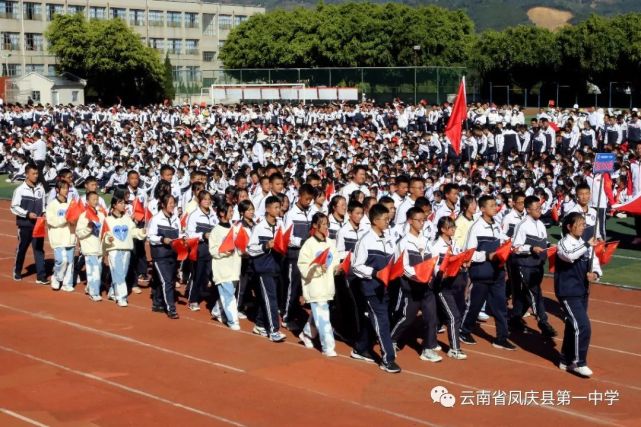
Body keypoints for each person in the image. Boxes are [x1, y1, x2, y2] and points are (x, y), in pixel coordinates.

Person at [460, 195, 516, 350]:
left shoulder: (496, 225)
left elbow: (503, 241)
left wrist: (511, 246)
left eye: (495, 205)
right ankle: (464, 330)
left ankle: (501, 338)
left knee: (500, 306)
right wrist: (486, 255)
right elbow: (469, 252)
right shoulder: (476, 227)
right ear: (482, 209)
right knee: (475, 305)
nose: (495, 207)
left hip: (497, 272)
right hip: (481, 272)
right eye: (491, 205)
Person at [352, 203, 400, 373]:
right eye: (385, 219)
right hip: (371, 289)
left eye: (389, 218)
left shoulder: (389, 238)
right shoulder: (365, 241)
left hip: (386, 289)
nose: (388, 221)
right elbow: (356, 266)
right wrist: (375, 273)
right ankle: (388, 358)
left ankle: (360, 347)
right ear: (375, 220)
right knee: (382, 321)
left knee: (372, 319)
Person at [391, 207, 442, 363]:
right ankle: (391, 339)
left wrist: (435, 271)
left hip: (427, 287)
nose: (421, 223)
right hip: (411, 287)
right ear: (410, 221)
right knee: (407, 317)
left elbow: (435, 259)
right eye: (418, 220)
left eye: (423, 220)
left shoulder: (427, 241)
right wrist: (416, 275)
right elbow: (402, 265)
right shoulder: (403, 242)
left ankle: (428, 348)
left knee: (431, 317)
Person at [555, 212, 603, 378]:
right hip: (568, 292)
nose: (584, 227)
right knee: (583, 326)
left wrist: (595, 274)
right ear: (570, 227)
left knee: (572, 325)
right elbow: (569, 256)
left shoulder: (585, 244)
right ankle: (578, 362)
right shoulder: (562, 243)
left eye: (584, 224)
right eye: (581, 224)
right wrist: (587, 246)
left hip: (582, 291)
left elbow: (595, 264)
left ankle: (565, 358)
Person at [510, 196, 557, 337]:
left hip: (538, 265)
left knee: (525, 295)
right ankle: (543, 322)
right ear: (528, 209)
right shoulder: (522, 225)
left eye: (540, 208)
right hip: (525, 264)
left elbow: (543, 242)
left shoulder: (541, 224)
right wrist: (531, 249)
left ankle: (515, 318)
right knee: (534, 293)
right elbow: (515, 247)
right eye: (536, 209)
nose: (539, 211)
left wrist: (550, 245)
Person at [297, 212, 341, 357]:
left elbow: (335, 261)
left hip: (327, 285)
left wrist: (337, 268)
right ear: (315, 225)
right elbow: (303, 266)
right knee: (323, 317)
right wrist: (316, 268)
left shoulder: (330, 242)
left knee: (320, 315)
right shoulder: (308, 244)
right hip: (315, 286)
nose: (326, 226)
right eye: (323, 223)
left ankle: (306, 334)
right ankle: (328, 347)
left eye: (327, 223)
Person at [247, 195, 287, 342]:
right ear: (268, 209)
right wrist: (265, 246)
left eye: (279, 207)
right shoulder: (259, 227)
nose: (278, 210)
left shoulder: (280, 225)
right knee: (271, 298)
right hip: (263, 268)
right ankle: (274, 330)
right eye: (275, 207)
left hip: (276, 266)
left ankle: (259, 323)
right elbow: (250, 249)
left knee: (267, 297)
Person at [431, 216, 468, 360]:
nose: (453, 229)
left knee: (444, 315)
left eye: (454, 227)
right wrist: (442, 273)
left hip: (455, 284)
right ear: (442, 230)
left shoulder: (454, 243)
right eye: (450, 227)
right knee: (454, 317)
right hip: (443, 286)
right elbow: (434, 267)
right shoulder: (436, 246)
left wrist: (463, 262)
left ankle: (431, 341)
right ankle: (454, 349)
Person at [103, 191, 147, 307]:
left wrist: (141, 232)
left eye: (123, 203)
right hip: (114, 250)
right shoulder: (108, 220)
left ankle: (113, 291)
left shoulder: (127, 219)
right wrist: (108, 240)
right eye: (120, 203)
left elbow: (132, 231)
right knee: (118, 273)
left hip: (126, 249)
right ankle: (122, 297)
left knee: (122, 273)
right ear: (114, 205)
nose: (123, 205)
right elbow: (104, 235)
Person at [281, 183, 315, 329]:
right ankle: (287, 316)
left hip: (308, 255)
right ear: (299, 196)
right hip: (294, 254)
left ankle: (295, 313)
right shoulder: (291, 214)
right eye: (306, 199)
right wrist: (302, 242)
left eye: (310, 199)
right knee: (292, 286)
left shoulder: (312, 212)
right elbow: (287, 237)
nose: (309, 202)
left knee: (304, 286)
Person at [10, 163, 47, 283]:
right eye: (33, 173)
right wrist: (27, 214)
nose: (36, 176)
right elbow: (14, 207)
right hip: (25, 225)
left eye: (37, 173)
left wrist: (44, 212)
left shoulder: (40, 188)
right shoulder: (20, 190)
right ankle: (17, 271)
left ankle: (41, 276)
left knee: (39, 250)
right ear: (27, 174)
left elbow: (44, 204)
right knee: (22, 249)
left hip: (38, 225)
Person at [148, 193, 183, 319]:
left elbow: (179, 234)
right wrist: (163, 239)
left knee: (162, 280)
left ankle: (157, 303)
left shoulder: (176, 219)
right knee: (167, 281)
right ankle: (171, 309)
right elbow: (151, 237)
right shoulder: (156, 219)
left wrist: (183, 239)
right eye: (170, 203)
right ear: (163, 205)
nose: (172, 205)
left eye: (173, 203)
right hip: (160, 255)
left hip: (173, 254)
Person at [209, 202, 242, 330]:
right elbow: (212, 250)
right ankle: (233, 321)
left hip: (234, 266)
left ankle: (217, 310)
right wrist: (223, 251)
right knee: (229, 295)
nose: (232, 212)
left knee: (229, 292)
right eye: (230, 210)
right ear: (222, 213)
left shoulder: (235, 228)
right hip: (222, 268)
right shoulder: (216, 231)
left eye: (232, 210)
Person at [185, 190, 217, 312]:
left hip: (211, 248)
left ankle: (203, 292)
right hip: (199, 248)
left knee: (209, 273)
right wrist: (203, 235)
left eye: (209, 199)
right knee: (197, 274)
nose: (207, 201)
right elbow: (189, 234)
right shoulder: (194, 215)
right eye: (204, 199)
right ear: (199, 201)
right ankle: (193, 299)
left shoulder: (213, 215)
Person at [45, 180, 76, 292]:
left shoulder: (70, 204)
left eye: (67, 188)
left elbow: (75, 220)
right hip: (58, 237)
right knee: (61, 260)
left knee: (70, 262)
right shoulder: (52, 205)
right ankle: (57, 277)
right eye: (63, 188)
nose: (66, 190)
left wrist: (73, 221)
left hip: (70, 237)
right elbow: (51, 221)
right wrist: (65, 218)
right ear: (57, 190)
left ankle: (67, 283)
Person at [76, 191, 106, 301]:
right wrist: (89, 227)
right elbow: (79, 233)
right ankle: (94, 293)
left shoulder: (101, 215)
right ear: (87, 202)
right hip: (89, 248)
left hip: (99, 248)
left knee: (98, 270)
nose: (95, 201)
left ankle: (90, 287)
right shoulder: (84, 216)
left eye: (97, 199)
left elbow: (104, 231)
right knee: (93, 271)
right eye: (93, 199)